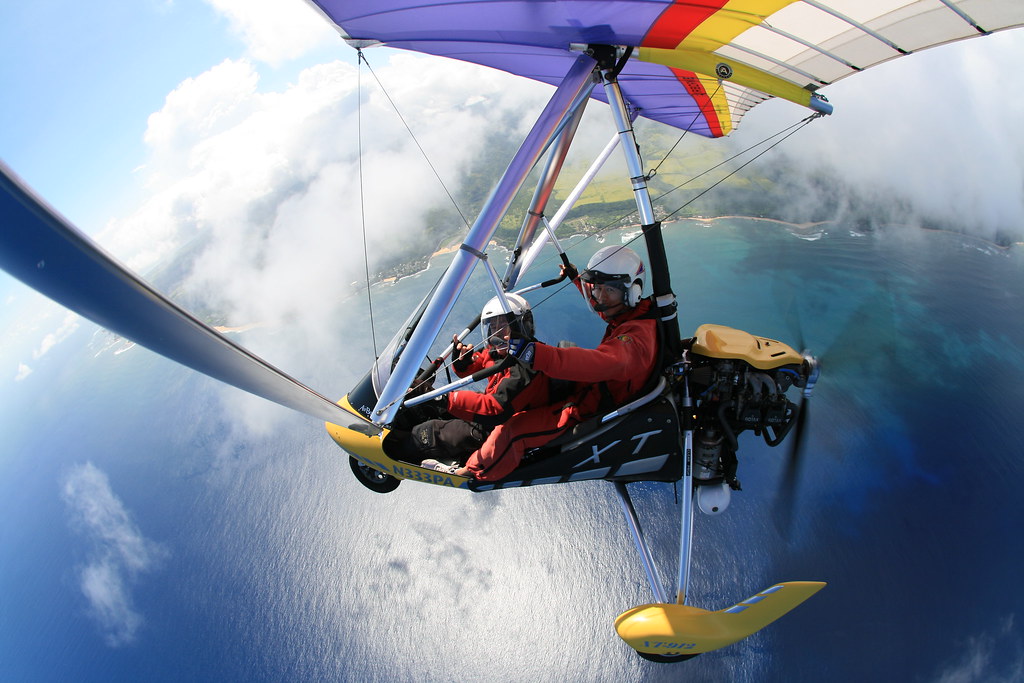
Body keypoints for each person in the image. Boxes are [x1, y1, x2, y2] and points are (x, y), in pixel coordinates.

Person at [434, 245, 659, 482]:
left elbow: (599, 362)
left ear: (633, 290)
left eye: (609, 290)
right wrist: (577, 279)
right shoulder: (631, 314)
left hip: (591, 407)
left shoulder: (636, 341)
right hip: (586, 392)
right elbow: (603, 306)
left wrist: (535, 353)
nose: (601, 297)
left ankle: (472, 473)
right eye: (597, 288)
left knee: (513, 430)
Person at [399, 293, 550, 468]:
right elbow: (480, 362)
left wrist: (439, 396)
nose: (498, 334)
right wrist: (463, 363)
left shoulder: (529, 364)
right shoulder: (503, 351)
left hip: (499, 428)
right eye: (493, 327)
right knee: (434, 409)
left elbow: (495, 409)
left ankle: (394, 452)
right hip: (489, 414)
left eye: (504, 326)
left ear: (523, 325)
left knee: (428, 432)